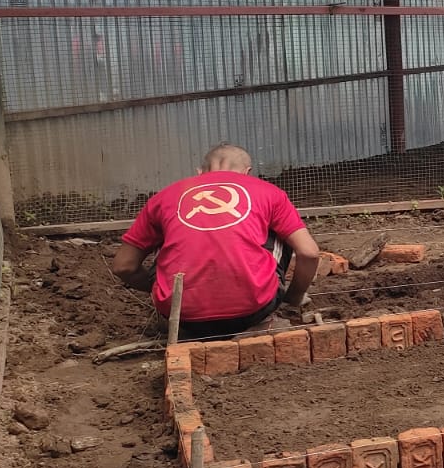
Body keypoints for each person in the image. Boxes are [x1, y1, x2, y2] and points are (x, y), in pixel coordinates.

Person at [111, 144, 320, 340]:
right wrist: (294, 297)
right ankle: (262, 320)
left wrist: (161, 290)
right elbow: (309, 253)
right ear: (247, 172)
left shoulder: (163, 197)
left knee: (168, 235)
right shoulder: (270, 192)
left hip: (182, 316)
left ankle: (178, 314)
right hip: (253, 310)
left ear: (199, 172)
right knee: (281, 232)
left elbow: (123, 266)